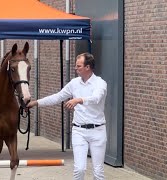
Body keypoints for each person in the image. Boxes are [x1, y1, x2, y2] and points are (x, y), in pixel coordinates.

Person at [27, 52, 107, 180]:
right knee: (79, 169)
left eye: (78, 66)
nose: (75, 68)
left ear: (88, 67)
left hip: (98, 131)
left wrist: (78, 100)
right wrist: (36, 103)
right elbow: (58, 97)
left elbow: (96, 98)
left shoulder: (100, 83)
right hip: (79, 130)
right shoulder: (74, 83)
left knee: (98, 171)